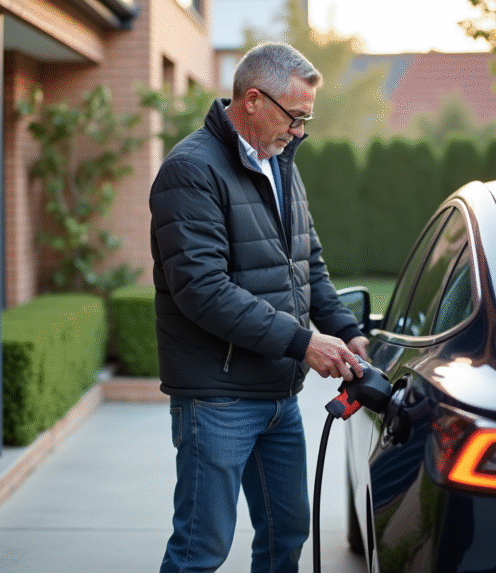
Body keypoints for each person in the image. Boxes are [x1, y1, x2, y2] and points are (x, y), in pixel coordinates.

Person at [149, 42, 369, 573]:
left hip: (277, 392)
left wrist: (346, 329)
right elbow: (202, 289)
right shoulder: (190, 171)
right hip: (217, 398)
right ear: (252, 100)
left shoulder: (281, 164)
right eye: (294, 117)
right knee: (200, 549)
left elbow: (306, 264)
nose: (298, 131)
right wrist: (303, 343)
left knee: (287, 531)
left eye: (304, 121)